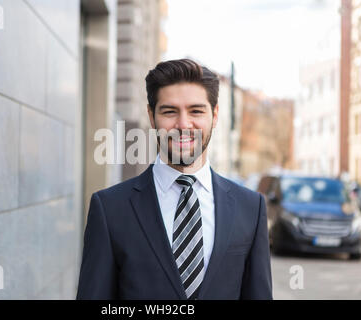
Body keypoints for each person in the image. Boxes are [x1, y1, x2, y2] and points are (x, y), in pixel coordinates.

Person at [76, 59, 272, 300]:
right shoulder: (110, 209)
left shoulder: (250, 208)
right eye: (169, 111)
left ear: (215, 114)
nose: (183, 124)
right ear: (151, 116)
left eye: (196, 111)